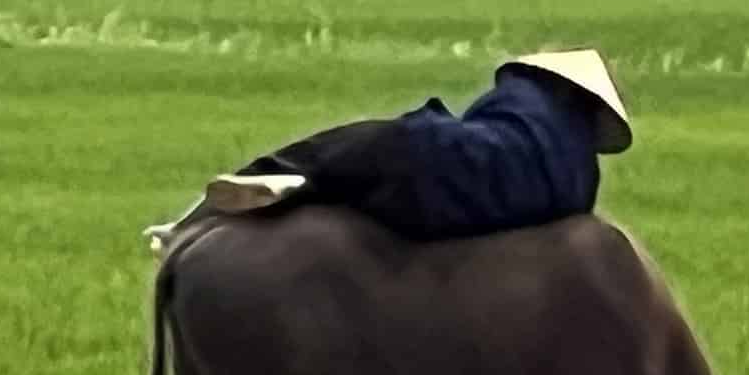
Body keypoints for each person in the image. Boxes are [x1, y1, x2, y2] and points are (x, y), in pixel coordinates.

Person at [144, 48, 632, 253]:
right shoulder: (578, 175)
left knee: (331, 153)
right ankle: (313, 190)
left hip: (438, 158)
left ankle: (190, 224)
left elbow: (481, 124)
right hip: (458, 218)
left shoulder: (531, 99)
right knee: (364, 191)